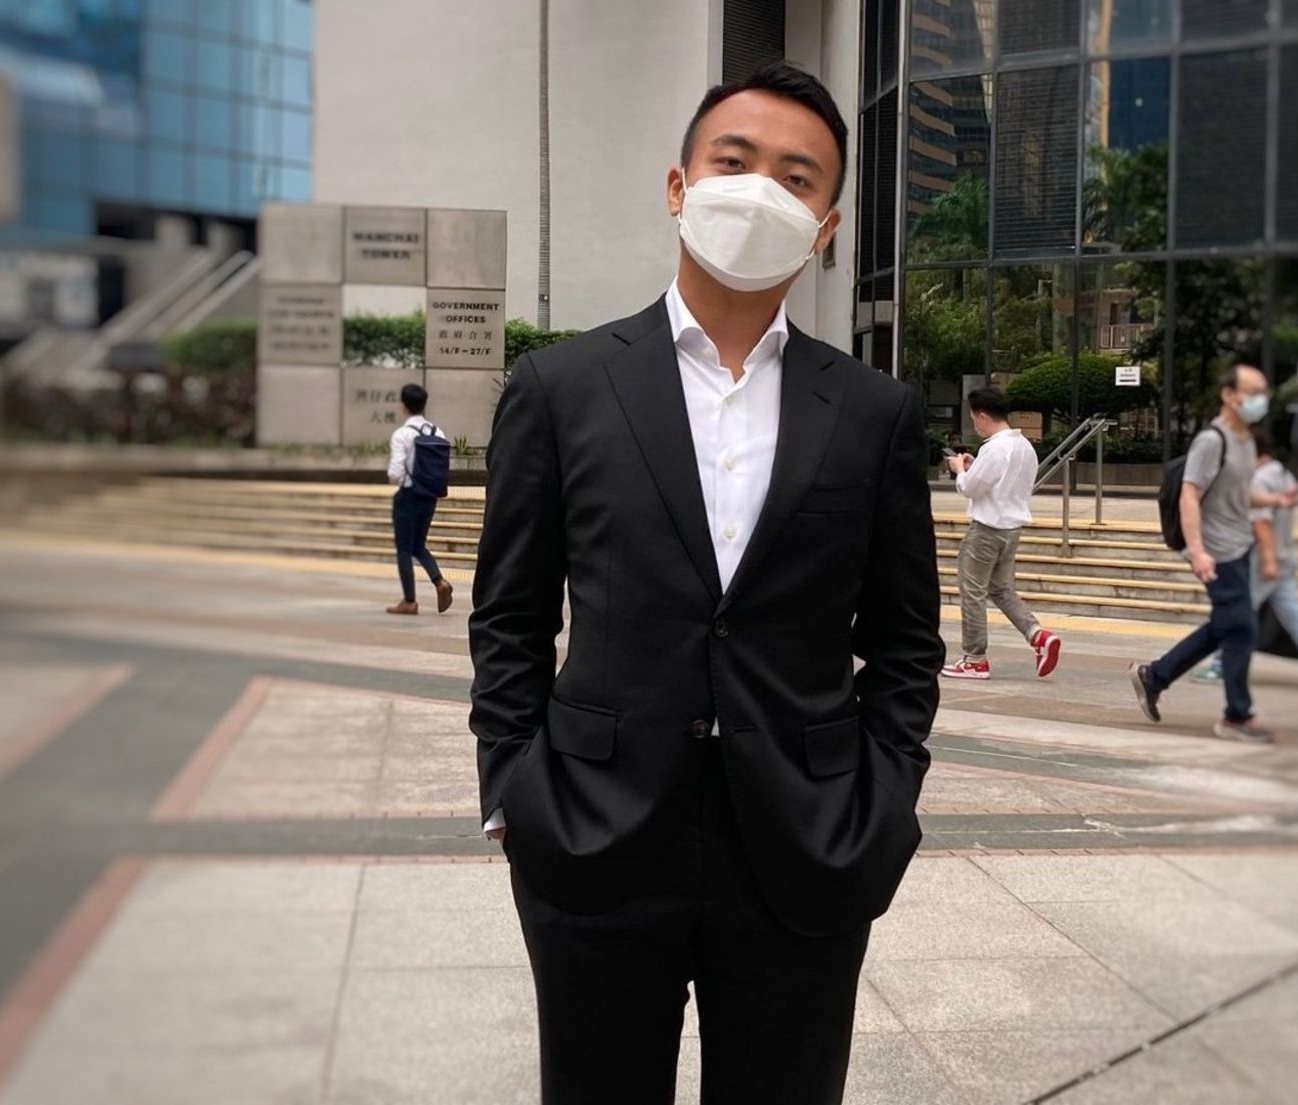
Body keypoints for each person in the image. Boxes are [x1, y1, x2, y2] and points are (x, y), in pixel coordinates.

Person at [469, 63, 943, 1105]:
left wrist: (883, 802)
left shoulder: (873, 413)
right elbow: (508, 615)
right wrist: (513, 791)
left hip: (805, 845)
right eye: (735, 161)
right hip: (593, 833)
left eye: (797, 177)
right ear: (680, 185)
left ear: (824, 227)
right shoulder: (561, 387)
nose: (761, 189)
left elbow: (906, 640)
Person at [1128, 364, 1298, 743]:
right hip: (1216, 549)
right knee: (1242, 627)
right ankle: (1236, 715)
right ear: (1228, 394)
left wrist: (1275, 499)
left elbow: (1240, 493)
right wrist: (1197, 550)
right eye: (1252, 391)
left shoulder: (1246, 441)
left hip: (1239, 545)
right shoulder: (1212, 440)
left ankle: (1154, 676)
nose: (1260, 399)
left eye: (1263, 392)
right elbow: (1189, 494)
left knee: (1226, 625)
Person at [1192, 426, 1298, 689]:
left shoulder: (1258, 479)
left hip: (1265, 561)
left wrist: (1268, 560)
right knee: (1294, 612)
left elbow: (1261, 524)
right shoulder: (1282, 473)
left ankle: (1221, 665)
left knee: (1236, 611)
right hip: (1285, 555)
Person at [939, 387, 1060, 681]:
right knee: (1001, 589)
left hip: (986, 530)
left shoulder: (994, 448)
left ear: (982, 416)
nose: (975, 426)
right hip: (1011, 529)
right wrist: (974, 468)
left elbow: (970, 488)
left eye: (974, 419)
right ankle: (1037, 634)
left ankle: (974, 659)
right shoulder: (1024, 447)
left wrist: (960, 469)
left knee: (973, 591)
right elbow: (1001, 481)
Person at [384, 382, 453, 616]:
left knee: (404, 548)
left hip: (408, 496)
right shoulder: (437, 432)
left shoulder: (402, 435)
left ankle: (409, 601)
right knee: (418, 545)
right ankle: (439, 582)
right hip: (430, 496)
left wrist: (401, 481)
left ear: (403, 405)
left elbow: (395, 473)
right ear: (424, 405)